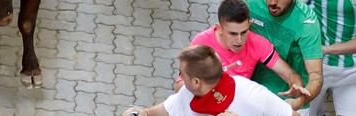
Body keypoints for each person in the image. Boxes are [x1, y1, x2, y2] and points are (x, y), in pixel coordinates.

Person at [176, 0, 307, 101]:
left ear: (249, 25)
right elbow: (179, 86)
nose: (239, 40)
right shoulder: (202, 43)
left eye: (244, 32)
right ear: (220, 28)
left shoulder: (258, 43)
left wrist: (296, 85)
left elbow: (290, 75)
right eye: (232, 34)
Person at [122, 45, 298, 116]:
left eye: (182, 74)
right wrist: (142, 113)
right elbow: (168, 109)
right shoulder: (188, 92)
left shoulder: (252, 95)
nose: (179, 78)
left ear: (197, 81)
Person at [245, 0, 324, 114]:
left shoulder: (307, 22)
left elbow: (316, 77)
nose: (272, 2)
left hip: (288, 101)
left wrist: (299, 101)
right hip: (254, 93)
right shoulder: (252, 2)